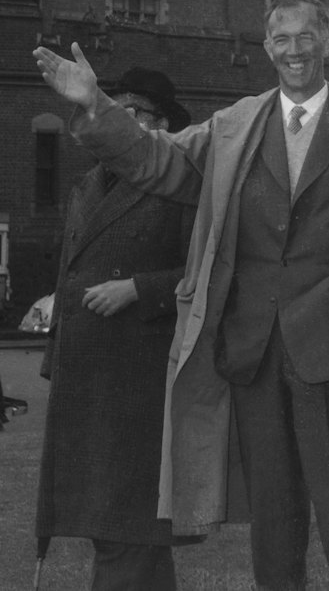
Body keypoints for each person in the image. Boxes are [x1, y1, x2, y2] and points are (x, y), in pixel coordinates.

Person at [33, 0, 329, 591]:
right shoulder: (235, 125)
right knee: (273, 518)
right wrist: (97, 105)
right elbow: (156, 161)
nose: (293, 51)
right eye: (280, 40)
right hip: (252, 354)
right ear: (267, 47)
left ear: (328, 42)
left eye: (304, 37)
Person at [35, 67, 198, 591]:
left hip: (142, 380)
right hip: (84, 376)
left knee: (126, 525)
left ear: (166, 125)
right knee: (112, 528)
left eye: (139, 113)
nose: (124, 120)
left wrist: (139, 289)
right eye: (117, 107)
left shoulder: (184, 185)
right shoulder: (89, 181)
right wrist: (53, 357)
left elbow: (213, 273)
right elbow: (70, 269)